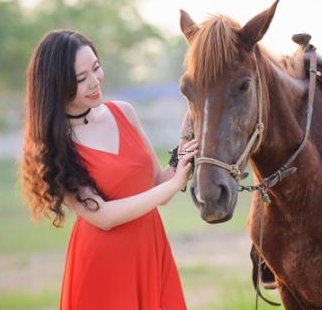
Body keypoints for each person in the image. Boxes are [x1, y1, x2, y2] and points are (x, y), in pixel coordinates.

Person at [20, 29, 197, 310]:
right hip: (104, 266)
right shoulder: (55, 145)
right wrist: (174, 184)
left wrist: (182, 147)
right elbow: (103, 217)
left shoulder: (123, 112)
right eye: (81, 78)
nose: (95, 82)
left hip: (150, 248)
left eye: (96, 68)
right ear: (57, 85)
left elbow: (158, 189)